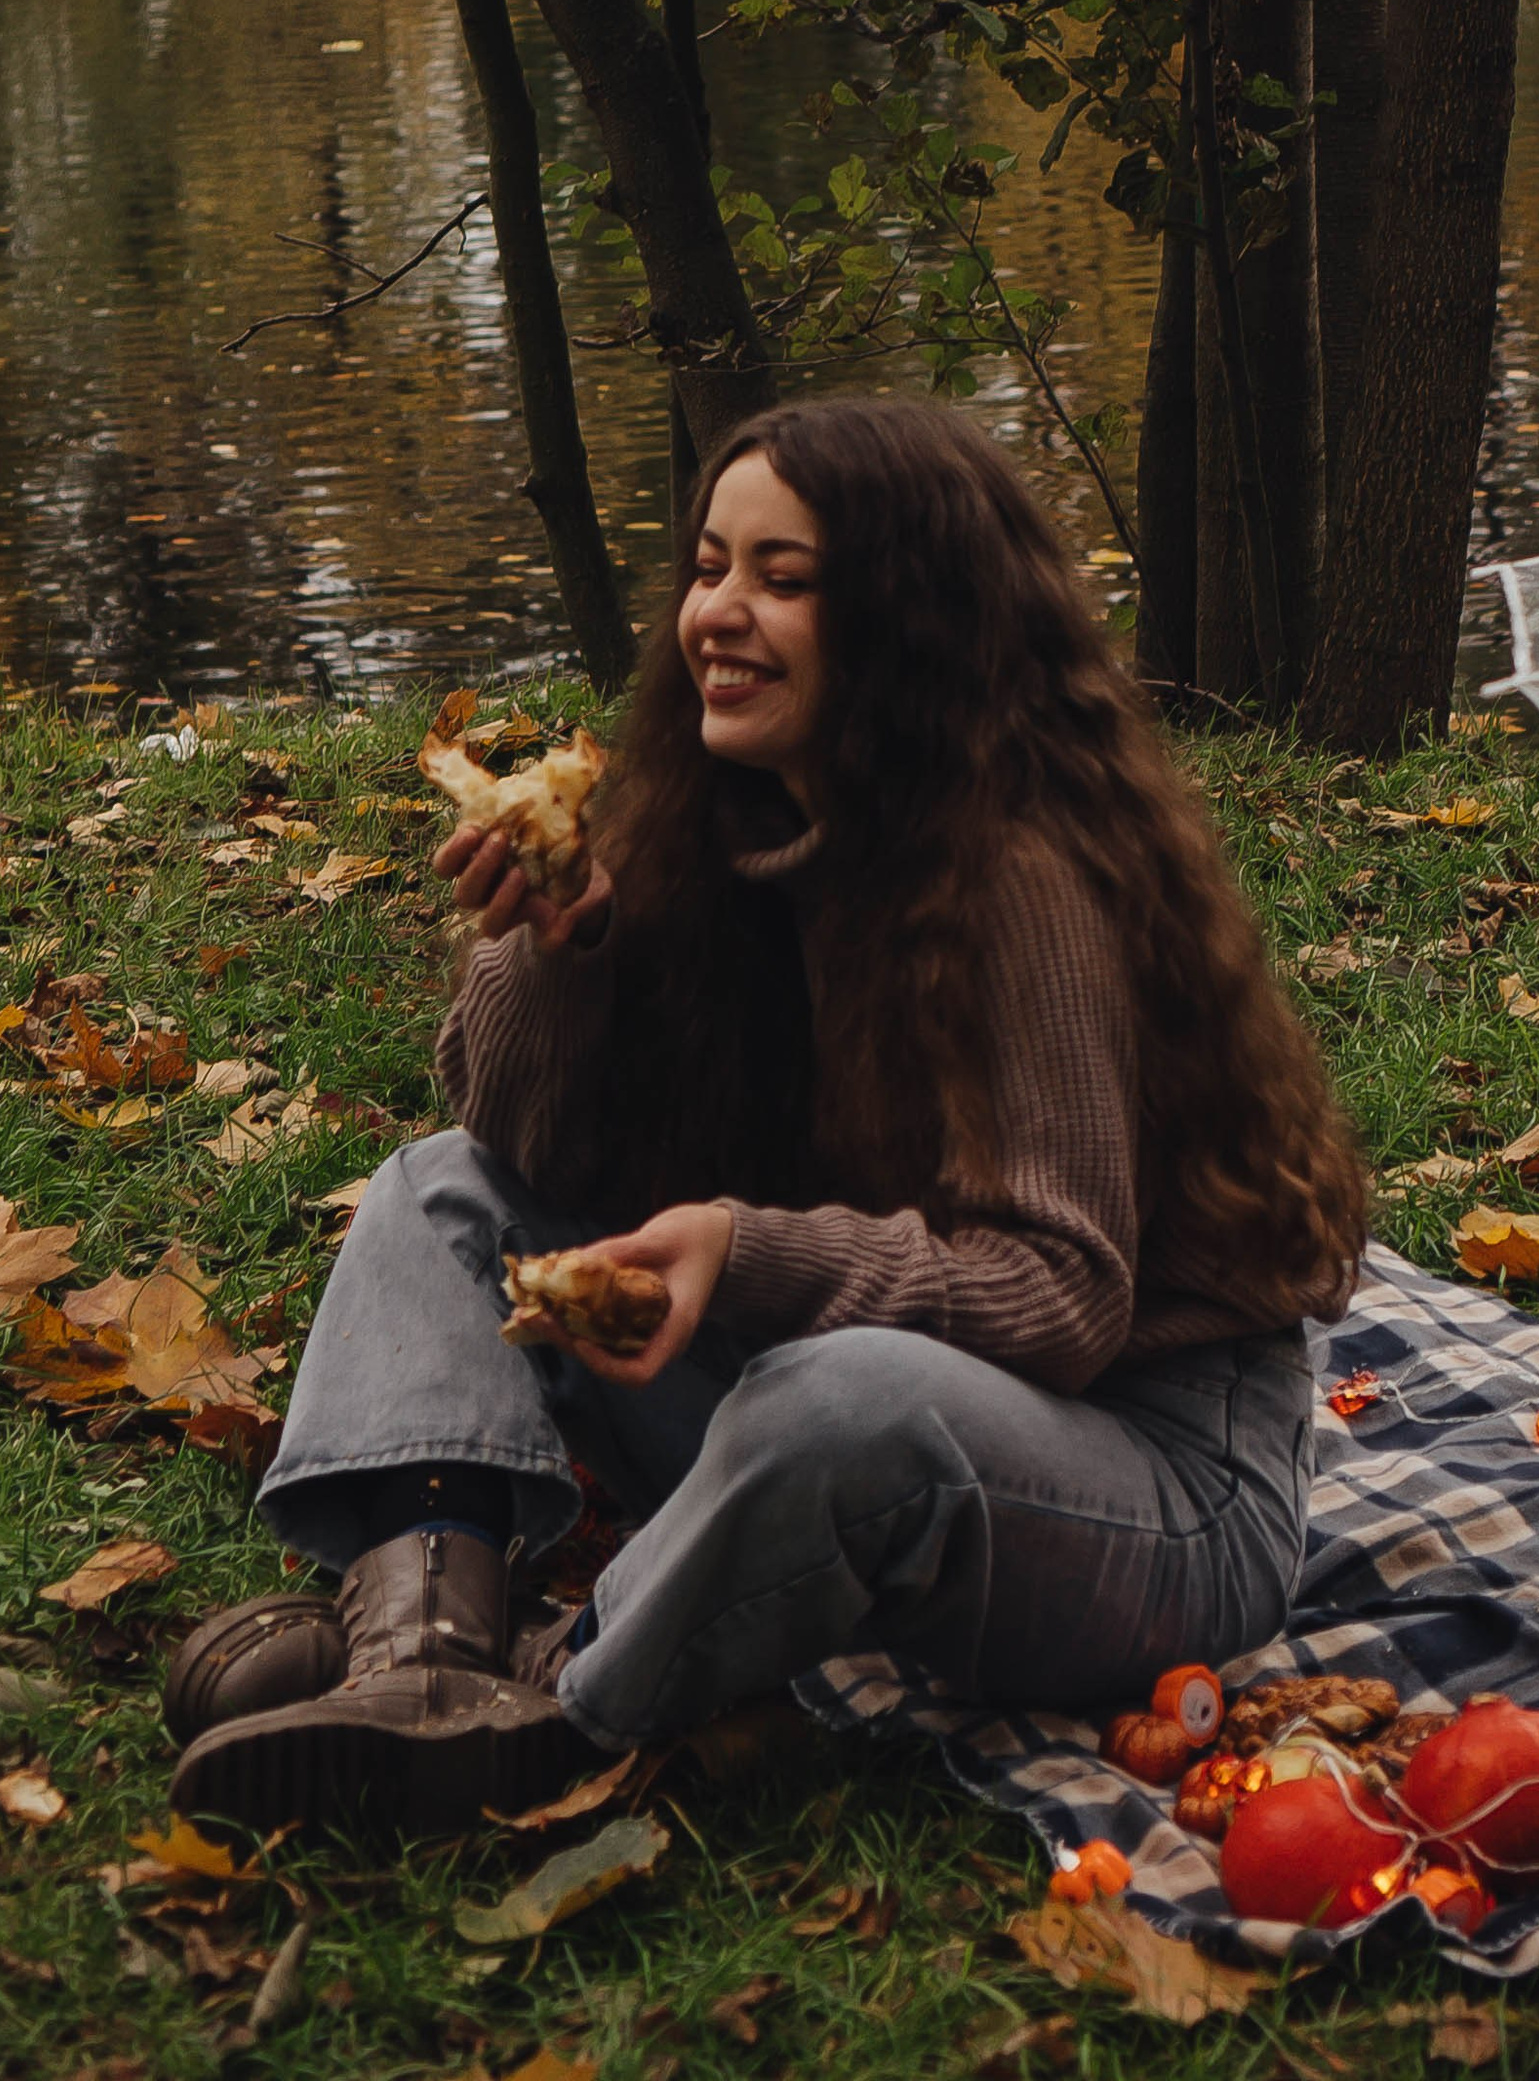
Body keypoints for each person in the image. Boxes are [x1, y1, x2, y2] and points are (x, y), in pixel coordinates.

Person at [164, 394, 1369, 1833]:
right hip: (842, 1407)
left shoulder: (1020, 877)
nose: (721, 615)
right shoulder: (724, 816)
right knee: (443, 1191)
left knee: (839, 1397)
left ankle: (567, 1707)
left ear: (909, 618)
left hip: (1144, 1485)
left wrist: (748, 1250)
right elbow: (518, 1144)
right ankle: (422, 1653)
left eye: (784, 581)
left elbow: (1064, 1302)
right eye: (711, 566)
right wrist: (561, 955)